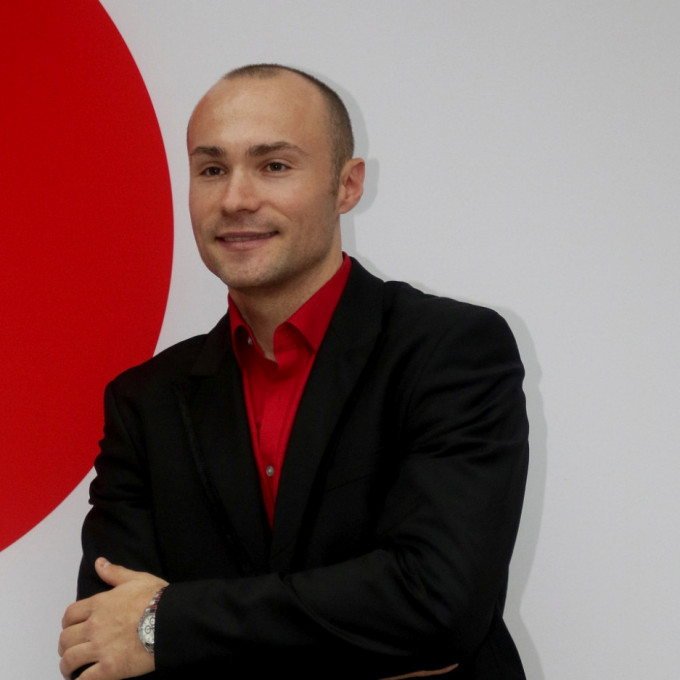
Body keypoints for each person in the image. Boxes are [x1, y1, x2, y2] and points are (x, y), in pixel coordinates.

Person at [59, 64, 529, 680]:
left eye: (274, 165)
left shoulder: (450, 351)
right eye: (212, 169)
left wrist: (165, 625)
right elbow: (100, 645)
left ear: (347, 185)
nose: (236, 198)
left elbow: (438, 607)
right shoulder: (143, 403)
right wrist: (361, 631)